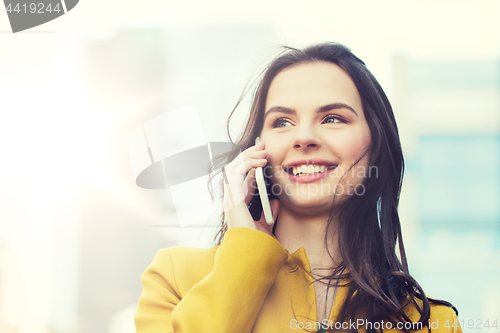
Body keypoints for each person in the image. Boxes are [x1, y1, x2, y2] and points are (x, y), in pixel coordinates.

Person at [134, 42, 463, 333]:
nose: (303, 137)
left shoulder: (432, 323)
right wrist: (245, 256)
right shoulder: (176, 279)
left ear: (376, 143)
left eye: (332, 118)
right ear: (257, 149)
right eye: (282, 122)